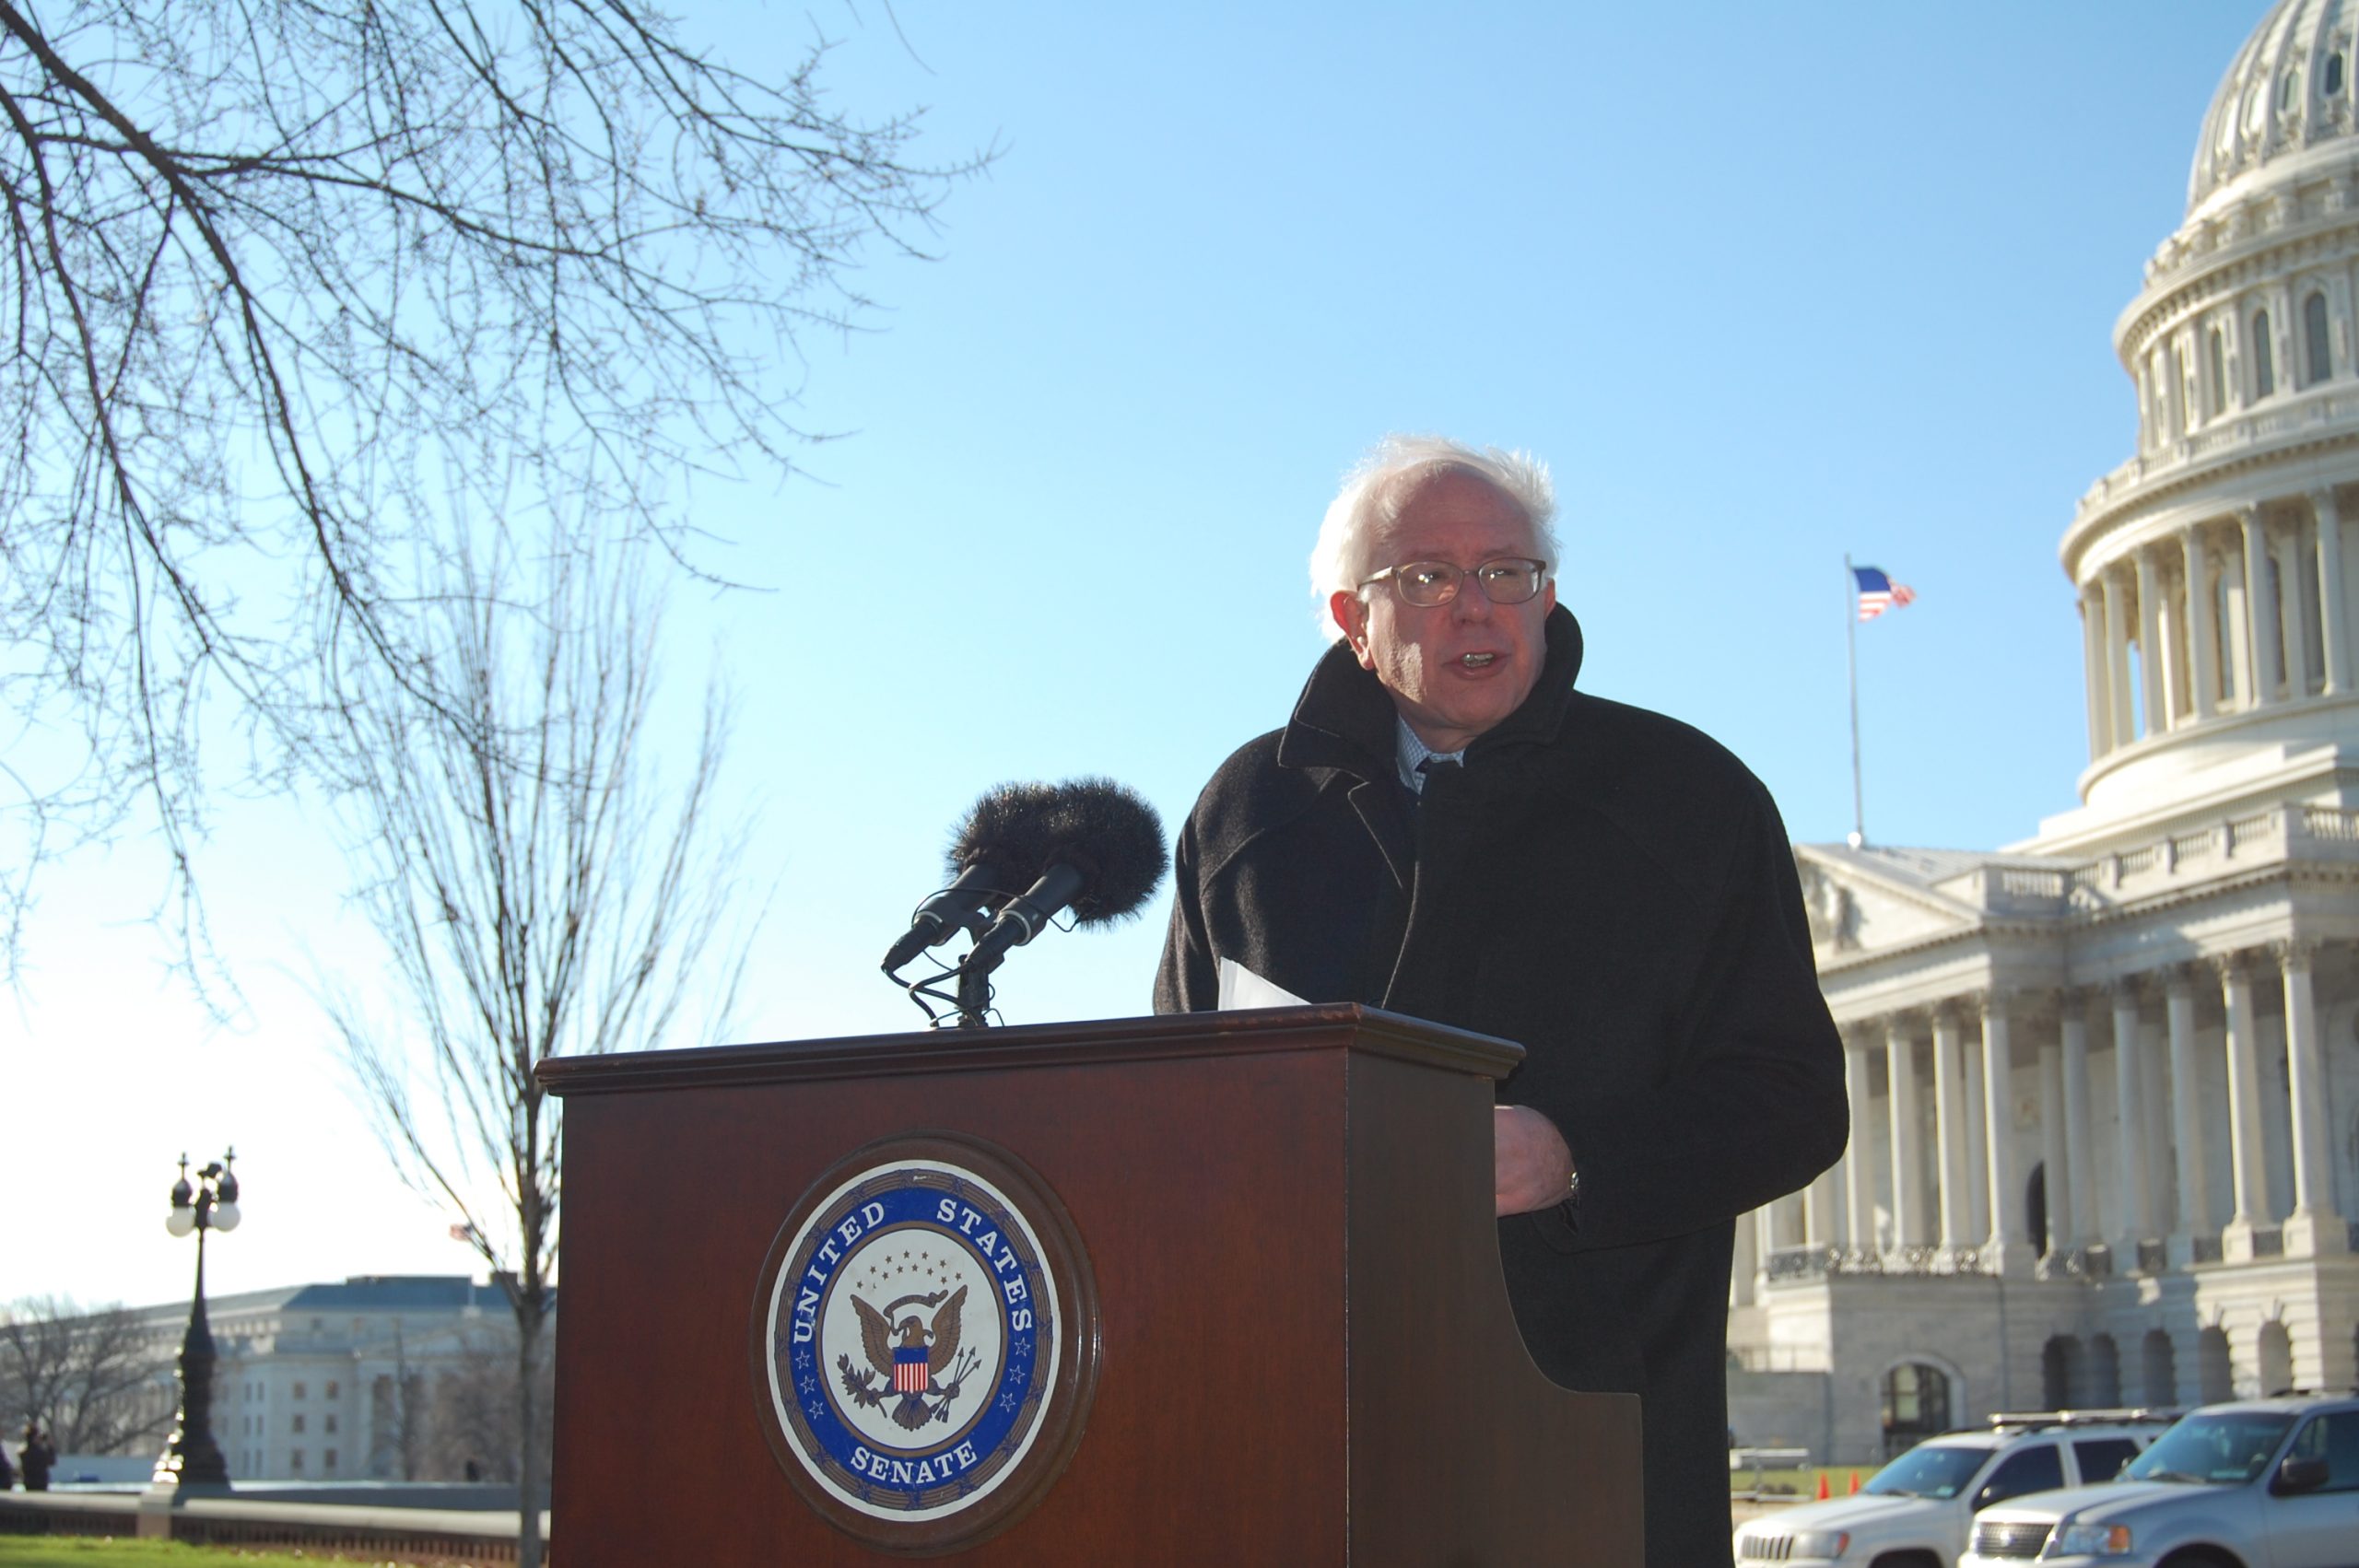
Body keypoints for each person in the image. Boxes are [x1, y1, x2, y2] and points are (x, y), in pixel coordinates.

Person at [1155, 434, 1848, 1567]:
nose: (1475, 607)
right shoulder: (1246, 815)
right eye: (1426, 577)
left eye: (1506, 574)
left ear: (1547, 595)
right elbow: (1173, 1107)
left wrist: (1575, 1158)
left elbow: (1794, 1102)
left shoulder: (1692, 802)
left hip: (1585, 1453)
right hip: (1297, 1442)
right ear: (1350, 616)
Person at [18, 1422, 53, 1492]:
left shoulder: (23, 1451)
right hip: (40, 1483)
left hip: (28, 1482)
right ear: (34, 1438)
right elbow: (51, 1461)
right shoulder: (39, 1452)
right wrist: (50, 1448)